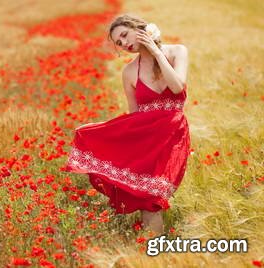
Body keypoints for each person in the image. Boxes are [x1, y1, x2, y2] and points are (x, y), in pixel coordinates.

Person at [63, 13, 191, 235]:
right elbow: (134, 117)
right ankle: (154, 256)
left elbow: (178, 86)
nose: (125, 44)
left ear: (139, 27)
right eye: (119, 43)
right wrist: (101, 132)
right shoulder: (129, 71)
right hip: (146, 140)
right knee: (148, 201)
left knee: (154, 196)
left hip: (173, 136)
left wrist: (155, 52)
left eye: (124, 35)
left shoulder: (177, 51)